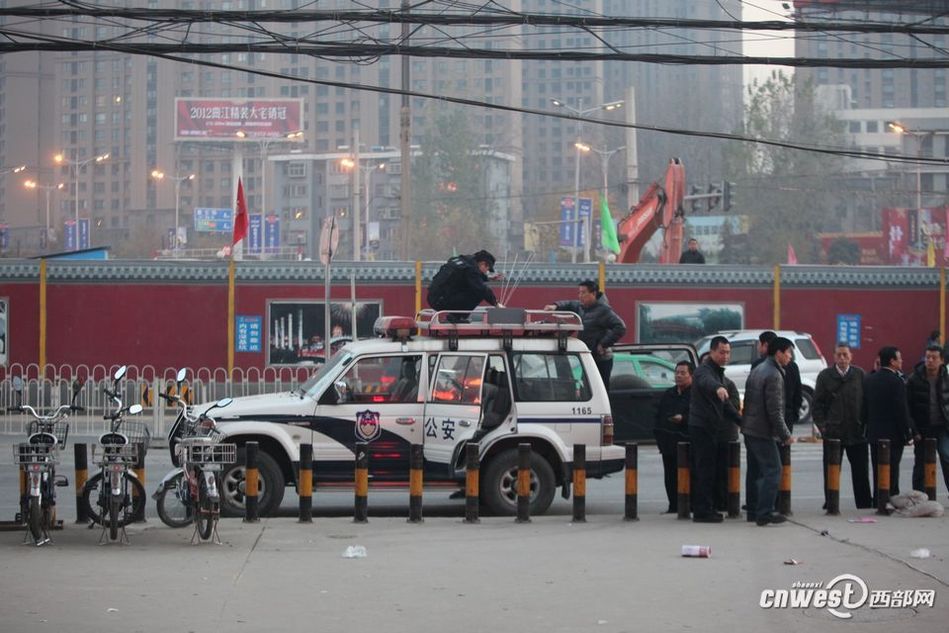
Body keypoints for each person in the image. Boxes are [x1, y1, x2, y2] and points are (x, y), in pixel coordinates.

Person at [742, 336, 795, 526]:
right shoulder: (773, 374)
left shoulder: (759, 368)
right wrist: (786, 435)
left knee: (759, 472)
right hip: (761, 431)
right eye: (788, 352)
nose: (790, 356)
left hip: (750, 428)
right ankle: (764, 513)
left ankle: (755, 510)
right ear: (779, 353)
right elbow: (775, 410)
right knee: (774, 470)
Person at [813, 342, 872, 509]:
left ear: (851, 356)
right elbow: (817, 405)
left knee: (861, 472)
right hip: (833, 432)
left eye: (845, 355)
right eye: (839, 355)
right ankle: (831, 502)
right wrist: (823, 427)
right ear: (833, 356)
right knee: (831, 470)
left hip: (857, 432)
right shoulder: (825, 376)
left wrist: (865, 425)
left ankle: (864, 503)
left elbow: (867, 402)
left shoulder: (860, 374)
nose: (842, 358)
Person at [544, 280, 626, 387]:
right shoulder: (582, 307)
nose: (580, 296)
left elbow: (620, 327)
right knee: (587, 387)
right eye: (579, 292)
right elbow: (570, 304)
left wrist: (603, 344)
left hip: (601, 359)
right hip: (588, 355)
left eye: (583, 293)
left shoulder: (603, 310)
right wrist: (555, 306)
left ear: (593, 294)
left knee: (599, 389)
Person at [687, 335, 731, 523]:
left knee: (711, 470)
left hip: (712, 427)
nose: (725, 356)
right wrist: (718, 388)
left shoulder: (717, 371)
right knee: (704, 471)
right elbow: (707, 382)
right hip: (702, 427)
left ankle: (709, 507)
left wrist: (740, 419)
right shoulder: (704, 371)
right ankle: (702, 511)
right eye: (721, 352)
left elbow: (725, 404)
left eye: (728, 352)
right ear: (712, 351)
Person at [863, 346, 915, 500]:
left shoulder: (869, 380)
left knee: (877, 469)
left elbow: (864, 408)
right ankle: (890, 498)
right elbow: (901, 411)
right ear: (892, 361)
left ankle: (878, 499)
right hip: (894, 435)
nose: (901, 361)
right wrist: (907, 433)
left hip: (874, 433)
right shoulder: (897, 382)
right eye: (899, 358)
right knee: (892, 469)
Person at [907, 345, 949, 495]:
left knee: (946, 455)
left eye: (934, 358)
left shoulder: (946, 378)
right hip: (923, 427)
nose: (930, 360)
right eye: (927, 357)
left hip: (943, 426)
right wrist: (914, 430)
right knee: (920, 463)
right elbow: (908, 407)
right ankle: (919, 495)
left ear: (942, 360)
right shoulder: (914, 379)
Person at [654, 361, 693, 513]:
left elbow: (699, 417)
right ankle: (673, 506)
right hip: (668, 443)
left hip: (687, 442)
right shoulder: (669, 394)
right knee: (670, 476)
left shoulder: (695, 395)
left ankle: (688, 506)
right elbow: (659, 416)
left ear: (691, 376)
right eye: (677, 373)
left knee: (688, 476)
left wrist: (683, 419)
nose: (679, 376)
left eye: (683, 373)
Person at [751, 330, 801, 432]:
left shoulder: (758, 366)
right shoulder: (793, 366)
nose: (758, 348)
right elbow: (798, 395)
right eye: (788, 351)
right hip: (787, 417)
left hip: (765, 420)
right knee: (784, 446)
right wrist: (793, 415)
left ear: (765, 345)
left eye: (759, 345)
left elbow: (754, 395)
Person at [427, 250, 501, 314]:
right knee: (479, 292)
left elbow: (469, 277)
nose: (486, 272)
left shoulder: (463, 261)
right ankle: (457, 317)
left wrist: (487, 278)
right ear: (483, 263)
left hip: (433, 297)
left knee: (472, 286)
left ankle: (455, 316)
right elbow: (482, 289)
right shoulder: (471, 269)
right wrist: (496, 304)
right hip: (440, 301)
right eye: (487, 269)